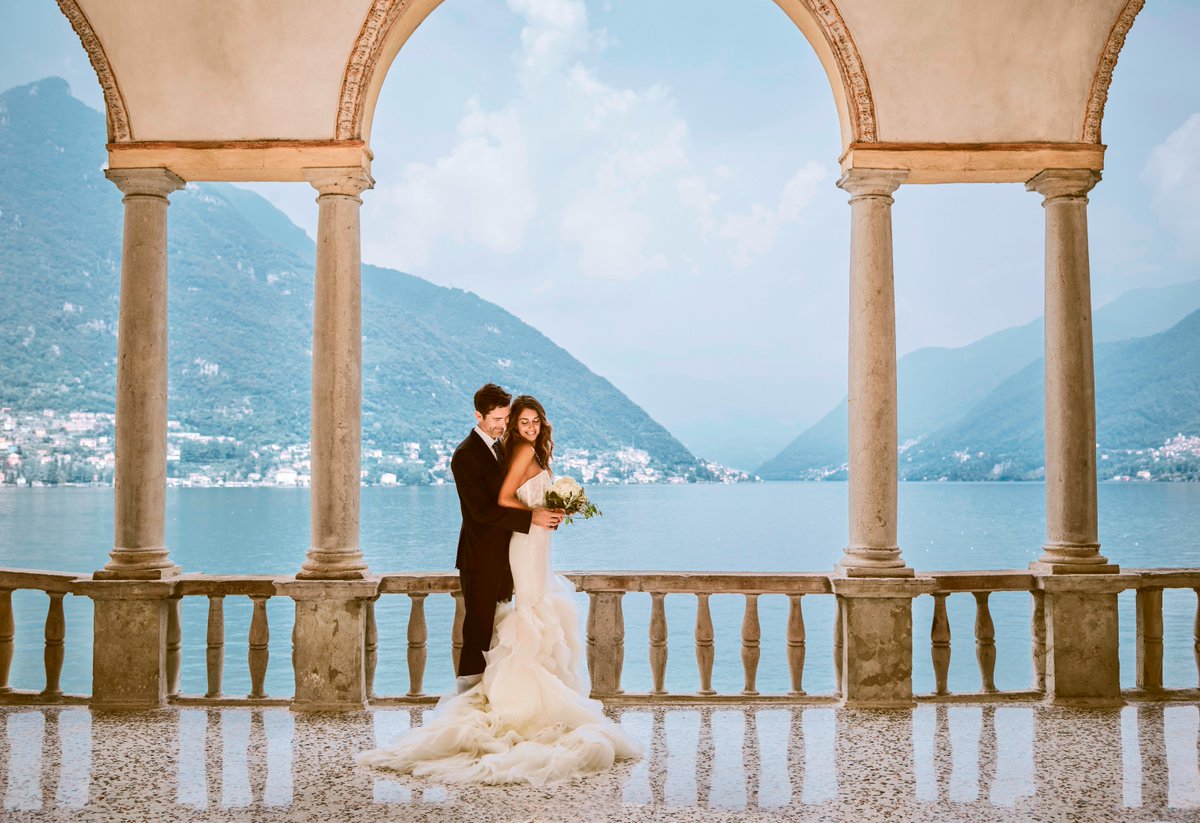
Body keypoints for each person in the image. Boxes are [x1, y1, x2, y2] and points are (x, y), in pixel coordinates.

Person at [356, 393, 642, 786]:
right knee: (480, 631)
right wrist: (535, 516)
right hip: (482, 557)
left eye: (516, 419)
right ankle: (467, 704)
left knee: (512, 623)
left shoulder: (506, 449)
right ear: (479, 415)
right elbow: (483, 510)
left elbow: (513, 497)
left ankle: (513, 699)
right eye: (503, 419)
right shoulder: (465, 454)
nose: (508, 425)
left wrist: (554, 509)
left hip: (517, 551)